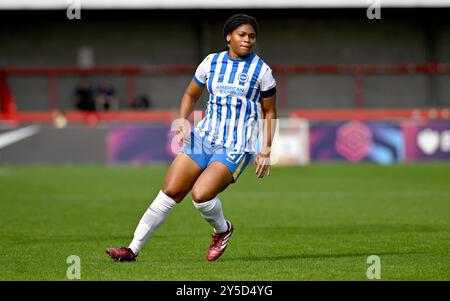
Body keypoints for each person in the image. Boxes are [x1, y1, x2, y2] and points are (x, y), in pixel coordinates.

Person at [106, 14, 277, 262]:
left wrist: (266, 150)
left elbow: (269, 111)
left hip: (237, 145)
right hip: (204, 137)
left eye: (251, 36)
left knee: (201, 195)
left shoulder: (262, 71)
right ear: (228, 37)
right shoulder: (211, 63)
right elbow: (190, 95)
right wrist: (181, 122)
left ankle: (222, 230)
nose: (247, 40)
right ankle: (132, 249)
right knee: (170, 190)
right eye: (242, 35)